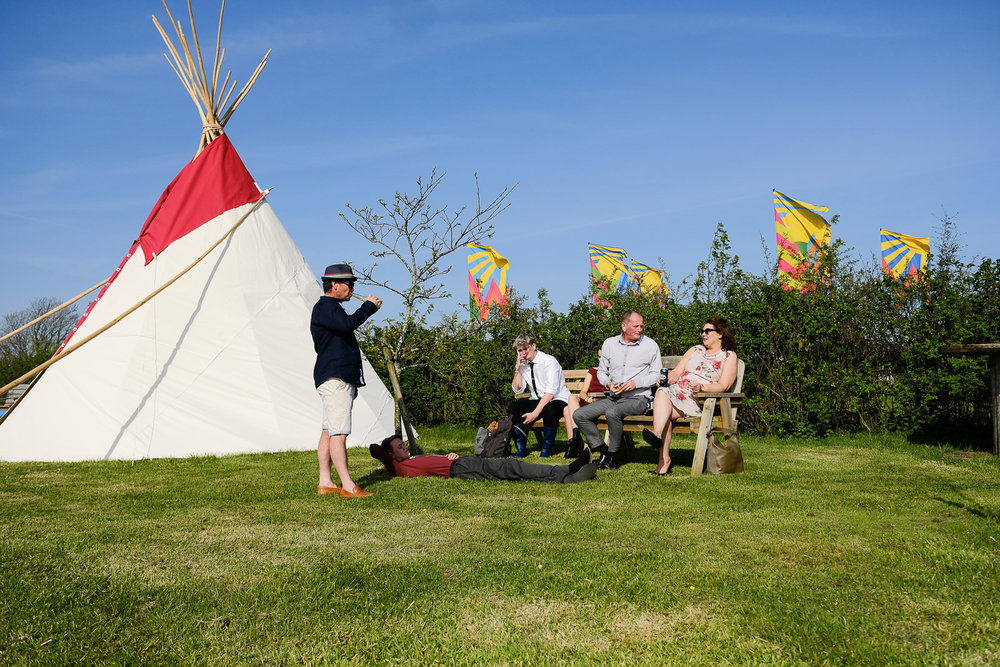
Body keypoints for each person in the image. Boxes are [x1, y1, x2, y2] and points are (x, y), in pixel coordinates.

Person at [311, 263, 382, 498]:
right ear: (334, 285)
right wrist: (368, 307)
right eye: (348, 284)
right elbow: (348, 325)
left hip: (335, 378)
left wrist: (354, 382)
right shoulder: (326, 307)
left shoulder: (330, 308)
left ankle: (326, 482)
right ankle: (349, 487)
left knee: (328, 430)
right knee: (339, 433)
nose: (351, 288)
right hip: (335, 378)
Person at [645, 317, 738, 475]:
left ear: (720, 334)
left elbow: (724, 385)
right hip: (675, 391)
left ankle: (662, 456)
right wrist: (667, 379)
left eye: (707, 331)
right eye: (702, 331)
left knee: (664, 407)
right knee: (662, 391)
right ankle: (658, 436)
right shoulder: (695, 349)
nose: (703, 334)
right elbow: (676, 373)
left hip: (699, 398)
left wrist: (703, 387)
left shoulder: (728, 356)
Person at [573, 311, 661, 470]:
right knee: (579, 415)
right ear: (624, 326)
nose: (640, 329)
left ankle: (613, 456)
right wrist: (608, 383)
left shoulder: (650, 345)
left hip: (639, 398)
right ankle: (604, 450)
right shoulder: (609, 344)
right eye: (636, 326)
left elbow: (656, 375)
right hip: (614, 397)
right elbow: (601, 372)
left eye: (642, 326)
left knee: (612, 413)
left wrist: (636, 383)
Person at [371, 434, 598, 484]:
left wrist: (446, 456)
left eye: (404, 444)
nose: (405, 447)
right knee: (511, 466)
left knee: (510, 467)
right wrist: (391, 456)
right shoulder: (398, 467)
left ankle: (569, 469)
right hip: (460, 470)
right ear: (391, 455)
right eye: (400, 447)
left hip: (459, 462)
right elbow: (374, 449)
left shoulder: (411, 458)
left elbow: (430, 461)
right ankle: (565, 476)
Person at [509, 334, 570, 458]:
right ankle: (521, 448)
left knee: (549, 408)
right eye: (519, 350)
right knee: (514, 406)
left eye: (525, 349)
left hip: (558, 399)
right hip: (538, 399)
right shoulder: (524, 364)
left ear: (533, 346)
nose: (523, 353)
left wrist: (535, 414)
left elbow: (550, 393)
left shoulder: (548, 361)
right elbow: (518, 390)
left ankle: (546, 448)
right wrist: (518, 369)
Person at [563, 349, 606, 459]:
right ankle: (575, 437)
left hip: (602, 402)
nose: (601, 359)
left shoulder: (613, 372)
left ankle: (573, 444)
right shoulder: (592, 371)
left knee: (567, 410)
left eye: (603, 357)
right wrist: (587, 398)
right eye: (599, 357)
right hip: (589, 401)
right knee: (572, 398)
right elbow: (583, 392)